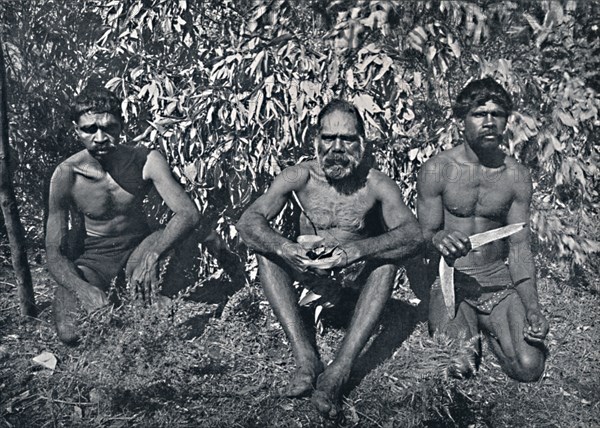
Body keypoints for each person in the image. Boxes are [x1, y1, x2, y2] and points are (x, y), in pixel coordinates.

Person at [237, 99, 423, 418]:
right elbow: (248, 222)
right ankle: (306, 359)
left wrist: (354, 252)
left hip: (358, 293)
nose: (337, 147)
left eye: (347, 139)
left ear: (361, 144)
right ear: (316, 141)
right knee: (265, 252)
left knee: (387, 262)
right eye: (328, 138)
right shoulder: (299, 177)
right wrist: (285, 248)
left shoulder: (376, 185)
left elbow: (413, 235)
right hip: (312, 286)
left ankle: (339, 371)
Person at [46, 84, 200, 345]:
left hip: (137, 250)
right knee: (71, 333)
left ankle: (141, 294)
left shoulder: (146, 160)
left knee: (152, 326)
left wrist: (153, 255)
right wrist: (84, 290)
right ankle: (113, 297)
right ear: (76, 131)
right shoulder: (66, 174)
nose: (100, 137)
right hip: (94, 260)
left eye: (109, 127)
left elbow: (188, 213)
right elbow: (54, 251)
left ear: (122, 126)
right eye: (89, 129)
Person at [417, 77, 548, 382]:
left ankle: (492, 329)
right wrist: (439, 238)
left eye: (497, 114)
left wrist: (532, 308)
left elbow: (518, 247)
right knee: (458, 366)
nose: (489, 122)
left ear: (506, 122)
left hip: (497, 281)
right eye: (479, 114)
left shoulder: (516, 176)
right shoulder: (438, 169)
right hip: (452, 279)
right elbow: (421, 238)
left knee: (529, 366)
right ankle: (469, 323)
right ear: (461, 120)